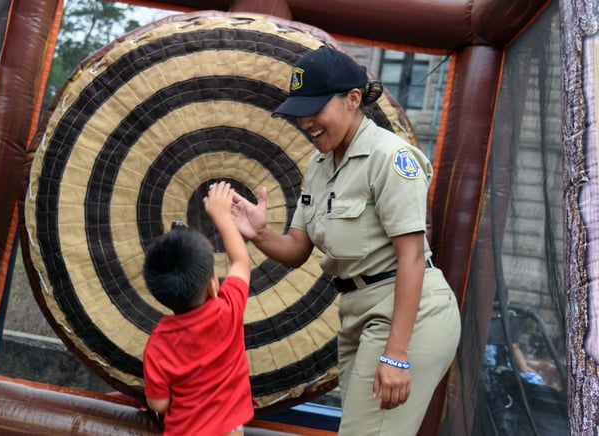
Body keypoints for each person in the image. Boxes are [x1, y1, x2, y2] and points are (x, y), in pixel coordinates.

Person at [230, 45, 461, 436]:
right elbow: (297, 250)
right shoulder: (319, 165)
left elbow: (412, 259)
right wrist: (260, 233)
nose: (306, 123)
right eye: (300, 113)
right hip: (357, 314)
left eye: (315, 109)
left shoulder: (389, 158)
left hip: (408, 316)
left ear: (354, 99)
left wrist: (398, 356)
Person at [142, 181, 253, 436]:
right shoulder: (229, 311)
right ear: (214, 286)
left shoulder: (158, 346)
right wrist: (221, 216)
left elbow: (158, 403)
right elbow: (241, 262)